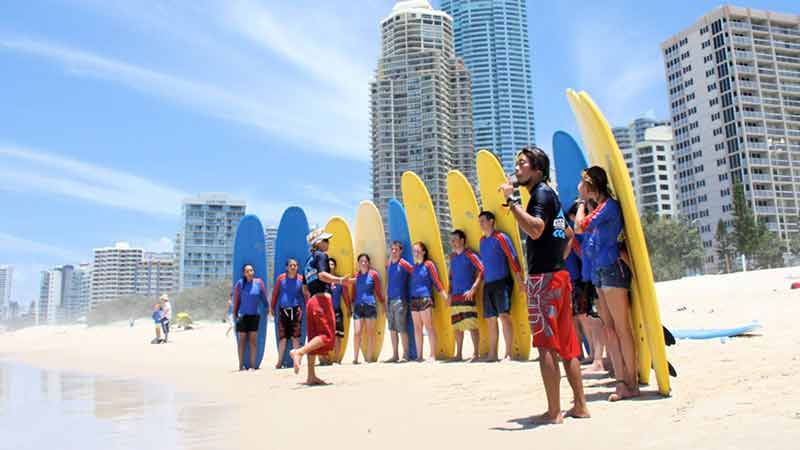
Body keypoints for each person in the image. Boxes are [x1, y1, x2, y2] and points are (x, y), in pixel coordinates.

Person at [501, 146, 589, 424]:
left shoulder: (538, 195)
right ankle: (580, 406)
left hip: (544, 280)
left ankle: (554, 412)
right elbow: (568, 233)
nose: (517, 169)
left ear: (537, 169)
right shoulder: (551, 194)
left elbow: (537, 229)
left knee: (546, 346)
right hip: (559, 277)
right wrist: (556, 260)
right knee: (567, 345)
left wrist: (511, 202)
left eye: (522, 164)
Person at [576, 166, 638, 401]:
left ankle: (631, 382)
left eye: (583, 184)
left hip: (612, 269)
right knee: (610, 330)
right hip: (600, 272)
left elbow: (581, 225)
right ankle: (621, 380)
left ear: (590, 184)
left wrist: (581, 202)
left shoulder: (609, 206)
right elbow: (579, 228)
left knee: (622, 329)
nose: (580, 188)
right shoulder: (601, 208)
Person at [290, 229, 344, 385]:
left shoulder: (308, 261)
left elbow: (305, 287)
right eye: (326, 240)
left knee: (314, 337)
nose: (328, 243)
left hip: (311, 301)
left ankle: (311, 375)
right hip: (321, 300)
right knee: (327, 336)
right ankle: (298, 352)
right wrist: (340, 280)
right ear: (318, 243)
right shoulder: (321, 256)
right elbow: (322, 275)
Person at [478, 211, 524, 362]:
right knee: (491, 319)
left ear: (491, 221)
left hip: (502, 281)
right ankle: (492, 354)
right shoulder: (482, 241)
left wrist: (520, 281)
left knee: (504, 316)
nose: (481, 224)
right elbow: (484, 265)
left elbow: (513, 258)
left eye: (483, 221)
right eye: (480, 221)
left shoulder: (501, 237)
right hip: (488, 283)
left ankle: (508, 353)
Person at [566, 202, 604, 369]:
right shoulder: (577, 236)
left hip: (585, 280)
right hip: (581, 279)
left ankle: (597, 357)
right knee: (580, 318)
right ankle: (590, 355)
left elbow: (584, 255)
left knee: (590, 319)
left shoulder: (582, 234)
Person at [448, 229, 484, 362]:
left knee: (471, 325)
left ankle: (476, 353)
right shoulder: (452, 257)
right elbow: (450, 276)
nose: (453, 243)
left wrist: (473, 288)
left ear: (462, 240)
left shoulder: (470, 254)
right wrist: (449, 293)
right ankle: (459, 354)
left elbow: (481, 269)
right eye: (451, 240)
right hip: (455, 296)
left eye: (455, 240)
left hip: (467, 295)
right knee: (457, 327)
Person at [409, 241, 447, 362]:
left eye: (417, 251)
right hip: (413, 299)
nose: (415, 253)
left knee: (429, 326)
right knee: (417, 328)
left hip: (425, 298)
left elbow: (436, 281)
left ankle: (432, 355)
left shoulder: (429, 264)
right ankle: (419, 356)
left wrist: (444, 296)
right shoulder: (413, 267)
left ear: (423, 252)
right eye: (414, 251)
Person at [232, 264, 270, 371]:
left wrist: (268, 309)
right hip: (242, 315)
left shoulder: (259, 283)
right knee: (242, 341)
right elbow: (236, 300)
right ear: (244, 273)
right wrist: (234, 313)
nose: (250, 272)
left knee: (253, 341)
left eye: (251, 270)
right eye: (247, 271)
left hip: (254, 316)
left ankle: (252, 366)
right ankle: (241, 366)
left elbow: (264, 297)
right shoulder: (240, 284)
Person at [271, 259, 307, 369]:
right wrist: (272, 307)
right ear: (287, 267)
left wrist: (308, 306)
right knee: (283, 338)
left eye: (295, 265)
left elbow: (305, 295)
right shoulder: (281, 278)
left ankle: (297, 362)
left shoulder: (301, 279)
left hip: (296, 311)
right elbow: (275, 294)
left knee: (295, 337)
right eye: (291, 265)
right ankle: (279, 362)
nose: (293, 267)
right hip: (283, 311)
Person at [349, 254, 385, 364]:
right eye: (361, 261)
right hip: (358, 307)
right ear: (358, 263)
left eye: (365, 261)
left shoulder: (373, 274)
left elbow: (378, 291)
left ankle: (369, 359)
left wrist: (383, 304)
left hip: (370, 305)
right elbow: (354, 293)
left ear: (368, 263)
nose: (363, 263)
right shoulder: (356, 275)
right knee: (357, 333)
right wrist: (351, 304)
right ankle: (355, 358)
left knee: (370, 333)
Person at [385, 241, 413, 362]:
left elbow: (414, 273)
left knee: (402, 328)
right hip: (390, 300)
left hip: (401, 300)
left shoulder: (404, 264)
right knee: (392, 329)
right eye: (392, 249)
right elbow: (388, 282)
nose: (394, 251)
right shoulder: (390, 263)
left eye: (396, 249)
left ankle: (405, 355)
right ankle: (395, 354)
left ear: (401, 251)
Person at [320, 257, 350, 365]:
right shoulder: (322, 280)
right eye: (328, 264)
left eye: (332, 264)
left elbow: (345, 295)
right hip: (325, 312)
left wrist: (349, 308)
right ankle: (325, 358)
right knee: (324, 336)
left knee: (338, 336)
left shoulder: (339, 280)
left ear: (335, 266)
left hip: (337, 311)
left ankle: (337, 359)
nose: (330, 266)